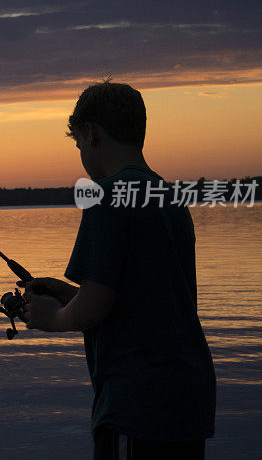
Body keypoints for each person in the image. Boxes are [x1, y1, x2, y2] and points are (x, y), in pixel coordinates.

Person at [24, 81, 216, 459]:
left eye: (78, 145)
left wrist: (55, 318)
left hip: (138, 403)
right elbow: (145, 291)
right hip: (187, 396)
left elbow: (95, 307)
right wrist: (69, 295)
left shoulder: (106, 196)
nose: (82, 155)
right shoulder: (169, 198)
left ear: (91, 134)